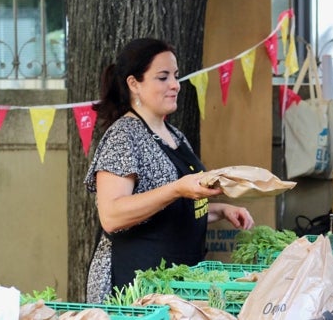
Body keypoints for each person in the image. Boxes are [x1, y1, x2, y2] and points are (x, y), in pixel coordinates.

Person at [84, 38, 255, 303]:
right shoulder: (123, 136)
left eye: (175, 76)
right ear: (134, 84)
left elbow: (172, 209)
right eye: (163, 77)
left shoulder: (176, 136)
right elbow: (112, 215)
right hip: (133, 288)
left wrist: (220, 210)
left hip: (177, 286)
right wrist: (176, 188)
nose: (175, 85)